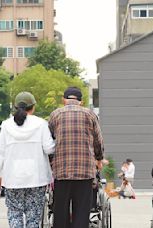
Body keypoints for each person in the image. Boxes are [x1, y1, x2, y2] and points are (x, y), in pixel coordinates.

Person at [0, 92, 55, 228]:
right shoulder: (41, 124)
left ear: (16, 107)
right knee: (33, 217)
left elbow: (0, 152)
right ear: (33, 107)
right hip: (37, 178)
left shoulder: (6, 125)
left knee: (14, 213)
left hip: (12, 178)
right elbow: (49, 149)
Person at [48, 86, 104, 228]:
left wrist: (50, 162)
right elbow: (98, 140)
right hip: (84, 171)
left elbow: (49, 142)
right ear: (81, 101)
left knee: (60, 212)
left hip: (61, 171)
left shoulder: (55, 115)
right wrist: (99, 158)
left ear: (64, 100)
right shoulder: (90, 115)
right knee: (82, 212)